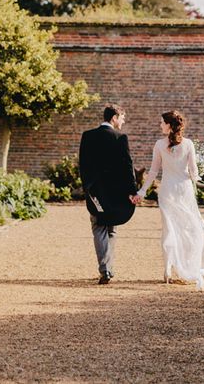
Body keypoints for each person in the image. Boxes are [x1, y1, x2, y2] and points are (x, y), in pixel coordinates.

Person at [136, 110, 204, 290]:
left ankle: (167, 270)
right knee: (190, 229)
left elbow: (154, 171)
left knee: (169, 229)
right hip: (184, 191)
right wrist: (198, 175)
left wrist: (142, 190)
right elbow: (193, 173)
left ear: (169, 125)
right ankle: (186, 265)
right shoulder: (188, 145)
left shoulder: (159, 145)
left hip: (168, 191)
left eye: (162, 123)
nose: (160, 126)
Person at [79, 104, 141, 285]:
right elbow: (127, 167)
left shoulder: (88, 136)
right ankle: (107, 268)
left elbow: (83, 165)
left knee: (98, 226)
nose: (123, 120)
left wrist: (87, 187)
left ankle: (106, 269)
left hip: (95, 192)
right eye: (122, 117)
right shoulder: (120, 138)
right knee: (111, 229)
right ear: (114, 117)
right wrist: (132, 191)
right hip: (116, 192)